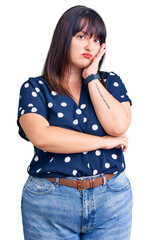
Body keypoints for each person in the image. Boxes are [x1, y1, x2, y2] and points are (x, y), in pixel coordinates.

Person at [17, 5, 133, 240]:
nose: (90, 46)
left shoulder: (109, 83)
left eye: (97, 40)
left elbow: (118, 127)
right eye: (81, 36)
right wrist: (103, 142)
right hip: (50, 202)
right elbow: (43, 137)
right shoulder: (35, 88)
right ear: (63, 37)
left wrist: (91, 77)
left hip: (112, 198)